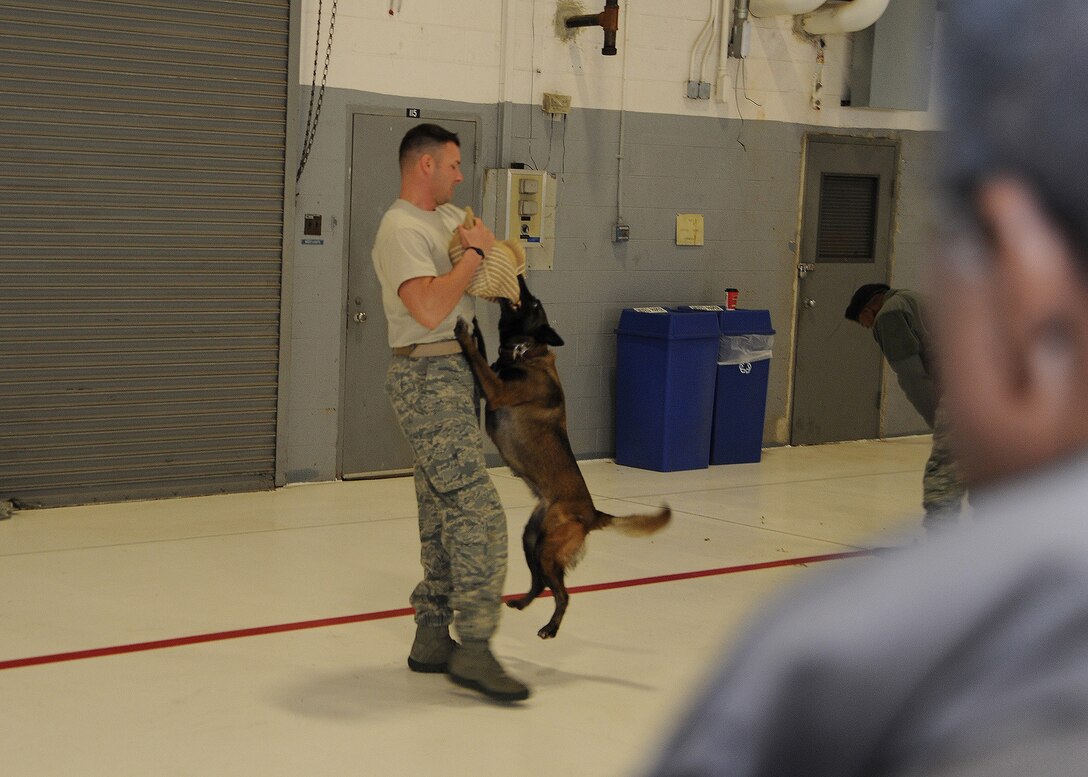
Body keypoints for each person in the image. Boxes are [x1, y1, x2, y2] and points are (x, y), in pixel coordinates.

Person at [640, 1, 1088, 774]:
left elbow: (919, 377)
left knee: (942, 475)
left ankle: (945, 531)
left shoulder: (840, 664)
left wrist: (950, 420)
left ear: (1021, 266)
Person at [371, 123, 529, 703]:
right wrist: (477, 255)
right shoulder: (400, 229)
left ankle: (433, 636)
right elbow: (432, 305)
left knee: (439, 505)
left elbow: (492, 264)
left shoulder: (444, 220)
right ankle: (477, 646)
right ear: (425, 166)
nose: (463, 175)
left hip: (459, 370)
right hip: (425, 373)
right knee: (477, 508)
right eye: (455, 165)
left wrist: (500, 257)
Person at [845, 283, 967, 531]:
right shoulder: (915, 299)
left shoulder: (889, 314)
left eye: (864, 319)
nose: (867, 326)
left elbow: (912, 376)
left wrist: (938, 419)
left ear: (873, 304)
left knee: (943, 471)